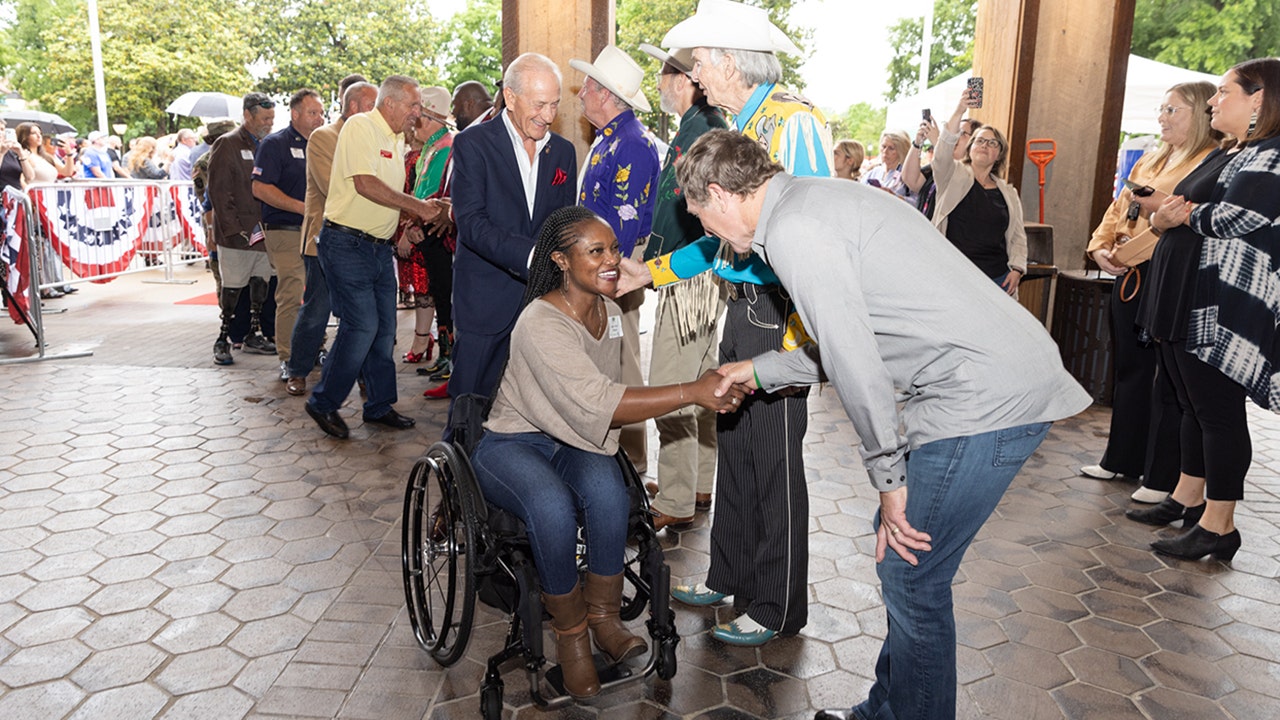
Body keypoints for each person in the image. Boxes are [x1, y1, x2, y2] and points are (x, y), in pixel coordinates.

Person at [674, 128, 1090, 720]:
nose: (707, 232)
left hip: (983, 395)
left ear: (718, 193)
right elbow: (853, 337)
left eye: (700, 217)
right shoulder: (811, 200)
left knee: (912, 574)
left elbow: (854, 362)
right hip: (988, 380)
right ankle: (887, 711)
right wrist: (761, 369)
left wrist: (889, 481)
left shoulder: (795, 231)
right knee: (903, 561)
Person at [470, 205, 746, 699]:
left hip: (575, 438)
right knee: (551, 507)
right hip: (514, 441)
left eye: (615, 248)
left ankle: (604, 619)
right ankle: (571, 640)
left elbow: (610, 393)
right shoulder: (539, 321)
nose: (612, 260)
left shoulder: (613, 313)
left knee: (610, 494)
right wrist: (693, 390)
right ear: (560, 259)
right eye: (595, 251)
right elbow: (602, 401)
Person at [630, 0, 833, 646]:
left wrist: (803, 338)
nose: (696, 74)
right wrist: (653, 274)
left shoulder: (792, 123)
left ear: (726, 62)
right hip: (741, 309)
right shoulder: (736, 126)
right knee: (736, 448)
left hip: (782, 317)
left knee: (773, 462)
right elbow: (721, 242)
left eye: (701, 62)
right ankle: (729, 573)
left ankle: (775, 604)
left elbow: (816, 233)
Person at [1129, 58, 1280, 561]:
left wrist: (1178, 212)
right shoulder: (1239, 150)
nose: (1215, 100)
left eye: (1224, 92)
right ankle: (1190, 499)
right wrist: (1175, 211)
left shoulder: (1272, 154)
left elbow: (1240, 216)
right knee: (1195, 405)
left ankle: (1220, 524)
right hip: (1194, 292)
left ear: (1258, 99)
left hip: (1225, 302)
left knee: (1217, 412)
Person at [1079, 81, 1221, 504]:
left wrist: (1125, 254)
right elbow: (1119, 206)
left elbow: (1172, 227)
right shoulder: (1154, 156)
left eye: (1172, 110)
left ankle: (1162, 476)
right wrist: (1099, 247)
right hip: (1128, 273)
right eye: (1161, 109)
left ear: (1197, 114)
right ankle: (1120, 457)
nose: (1162, 117)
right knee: (1129, 370)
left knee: (1170, 382)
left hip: (1165, 275)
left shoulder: (1206, 162)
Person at [304, 75, 444, 440]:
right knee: (362, 325)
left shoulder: (397, 139)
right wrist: (417, 207)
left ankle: (379, 405)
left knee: (383, 331)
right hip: (346, 244)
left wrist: (421, 211)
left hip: (378, 248)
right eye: (414, 106)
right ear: (391, 103)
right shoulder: (360, 126)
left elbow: (392, 192)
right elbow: (364, 183)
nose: (417, 113)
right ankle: (323, 401)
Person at [439, 53, 578, 416]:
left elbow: (564, 221)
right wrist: (533, 256)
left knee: (533, 408)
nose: (548, 116)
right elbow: (472, 224)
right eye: (539, 104)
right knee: (471, 406)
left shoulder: (562, 152)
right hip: (486, 302)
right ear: (510, 97)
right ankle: (459, 469)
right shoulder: (473, 145)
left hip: (543, 304)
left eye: (555, 105)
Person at [637, 42, 730, 527]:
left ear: (685, 81)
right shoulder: (702, 125)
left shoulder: (699, 129)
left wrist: (656, 263)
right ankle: (695, 483)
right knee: (701, 380)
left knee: (672, 385)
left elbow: (686, 210)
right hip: (695, 269)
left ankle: (674, 500)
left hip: (690, 274)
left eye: (665, 78)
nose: (660, 87)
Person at [572, 44, 662, 474]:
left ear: (606, 93)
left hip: (615, 269)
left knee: (622, 365)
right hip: (602, 266)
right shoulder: (613, 140)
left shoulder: (631, 145)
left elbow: (620, 232)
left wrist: (598, 273)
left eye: (587, 87)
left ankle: (632, 462)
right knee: (610, 362)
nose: (581, 95)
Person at [286, 80, 378, 397]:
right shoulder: (324, 138)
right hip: (323, 239)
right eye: (371, 105)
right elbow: (335, 188)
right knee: (317, 309)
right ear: (353, 107)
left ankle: (365, 376)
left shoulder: (372, 136)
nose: (376, 112)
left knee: (362, 314)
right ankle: (297, 369)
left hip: (362, 239)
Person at [253, 88, 327, 383]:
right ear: (295, 114)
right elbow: (260, 188)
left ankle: (313, 349)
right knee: (292, 291)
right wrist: (303, 208)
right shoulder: (275, 144)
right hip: (285, 230)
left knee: (318, 293)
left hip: (316, 231)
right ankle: (287, 356)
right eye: (312, 113)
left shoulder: (324, 144)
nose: (319, 118)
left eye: (321, 112)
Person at [931, 91, 1027, 296]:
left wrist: (1018, 270)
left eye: (993, 143)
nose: (985, 145)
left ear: (999, 154)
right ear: (970, 148)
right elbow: (942, 153)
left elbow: (1018, 236)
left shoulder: (1008, 193)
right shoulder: (951, 175)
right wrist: (959, 111)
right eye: (980, 141)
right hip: (954, 275)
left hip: (998, 279)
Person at [207, 93, 279, 365]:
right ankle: (223, 338)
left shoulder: (269, 144)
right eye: (264, 118)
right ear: (247, 115)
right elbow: (219, 192)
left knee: (260, 285)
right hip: (237, 236)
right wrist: (234, 230)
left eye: (272, 118)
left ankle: (252, 333)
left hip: (264, 233)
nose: (269, 123)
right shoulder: (227, 144)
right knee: (233, 289)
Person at [396, 86, 455, 377]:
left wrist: (414, 224)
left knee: (444, 296)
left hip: (438, 233)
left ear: (429, 119)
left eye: (417, 117)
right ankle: (444, 354)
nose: (412, 122)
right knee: (438, 294)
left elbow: (432, 193)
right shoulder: (433, 145)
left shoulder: (445, 145)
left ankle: (449, 356)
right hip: (427, 230)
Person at [904, 116, 981, 219]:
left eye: (961, 132)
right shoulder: (936, 166)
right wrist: (918, 143)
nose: (953, 136)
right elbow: (911, 180)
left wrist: (940, 143)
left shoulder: (971, 173)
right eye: (952, 132)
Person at [862, 130, 914, 203]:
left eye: (891, 148)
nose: (885, 151)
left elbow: (917, 203)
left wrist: (894, 197)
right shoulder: (873, 173)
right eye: (883, 146)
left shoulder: (908, 176)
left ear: (901, 151)